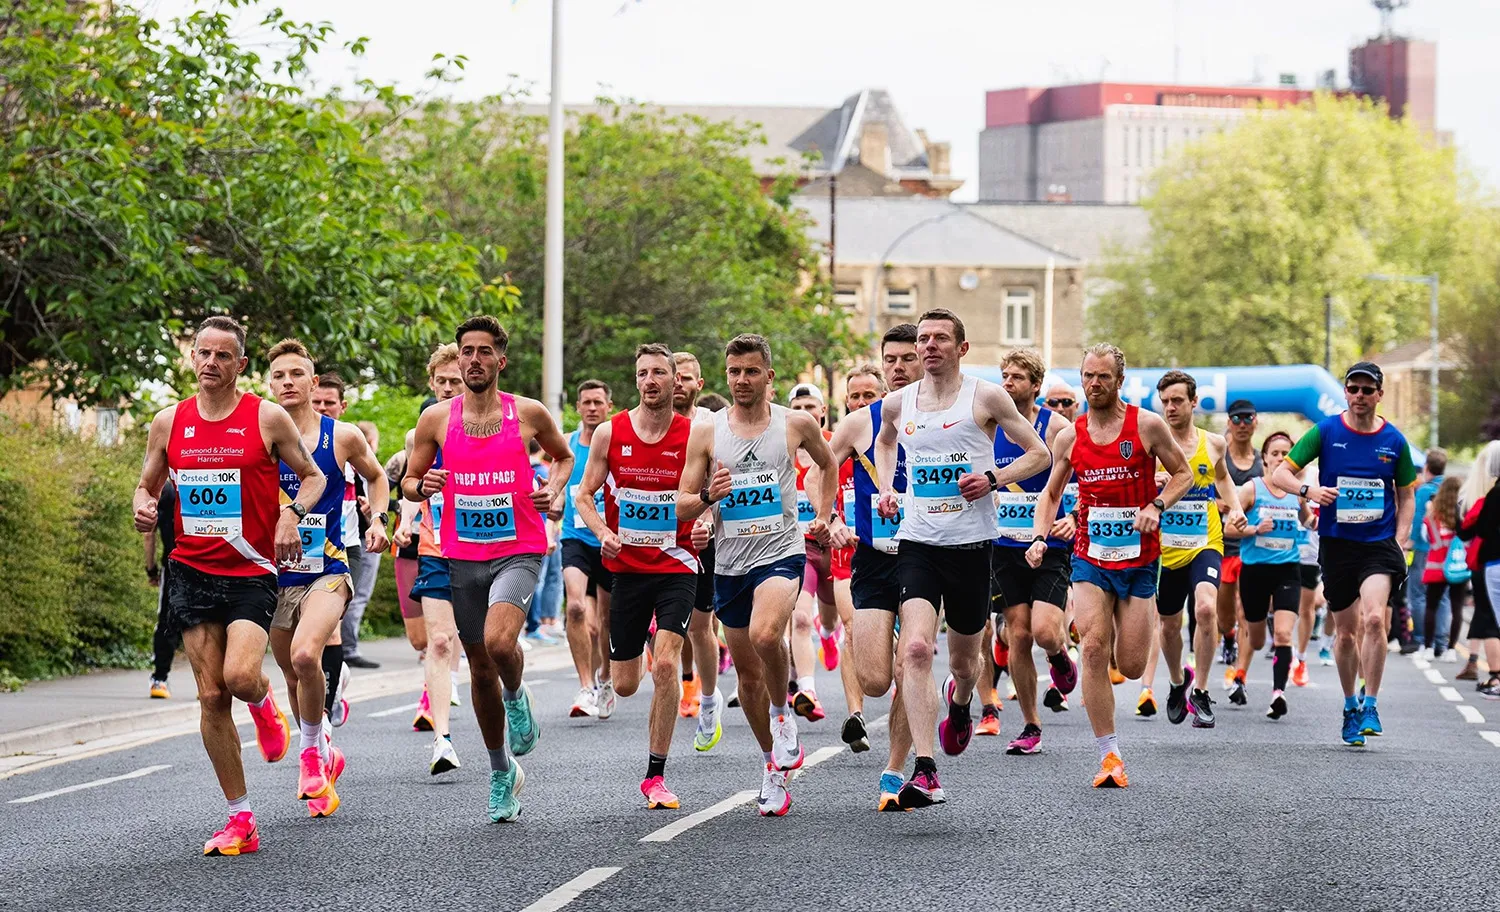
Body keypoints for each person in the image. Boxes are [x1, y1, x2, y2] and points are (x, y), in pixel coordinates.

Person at [132, 316, 326, 856]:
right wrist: (143, 509)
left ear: (240, 366)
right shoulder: (169, 421)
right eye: (203, 353)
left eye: (223, 356)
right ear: (192, 359)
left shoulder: (265, 418)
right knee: (211, 695)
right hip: (191, 570)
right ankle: (240, 818)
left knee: (240, 677)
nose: (211, 363)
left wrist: (291, 513)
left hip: (250, 570)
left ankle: (265, 704)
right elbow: (146, 487)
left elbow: (315, 477)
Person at [874, 309, 1049, 807]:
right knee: (915, 651)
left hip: (972, 547)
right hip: (917, 543)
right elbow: (885, 444)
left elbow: (1039, 455)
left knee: (966, 662)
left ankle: (963, 699)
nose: (929, 347)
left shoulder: (986, 396)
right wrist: (889, 487)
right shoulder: (898, 403)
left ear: (962, 348)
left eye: (940, 339)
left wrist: (992, 479)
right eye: (923, 338)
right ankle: (926, 770)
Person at [403, 315, 573, 822]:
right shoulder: (435, 419)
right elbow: (410, 481)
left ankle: (517, 696)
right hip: (462, 554)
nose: (473, 360)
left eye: (483, 351)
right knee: (478, 669)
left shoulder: (527, 413)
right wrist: (422, 486)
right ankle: (502, 772)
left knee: (500, 644)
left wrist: (554, 489)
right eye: (465, 352)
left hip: (519, 547)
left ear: (500, 360)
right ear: (457, 360)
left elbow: (563, 459)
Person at [677, 332, 838, 817]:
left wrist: (824, 516)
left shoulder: (796, 424)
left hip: (782, 552)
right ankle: (771, 765)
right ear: (725, 375)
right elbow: (682, 504)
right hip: (729, 563)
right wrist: (707, 501)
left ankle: (784, 712)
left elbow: (828, 466)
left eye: (751, 372)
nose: (742, 381)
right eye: (734, 372)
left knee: (769, 635)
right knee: (746, 676)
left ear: (769, 376)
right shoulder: (707, 432)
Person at [1027, 343, 1192, 788]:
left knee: (1133, 665)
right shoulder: (1070, 436)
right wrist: (1040, 536)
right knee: (1095, 647)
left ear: (1120, 380)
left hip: (1139, 558)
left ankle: (1161, 667)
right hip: (1089, 556)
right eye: (1087, 376)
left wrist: (1157, 504)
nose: (1094, 384)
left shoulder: (1148, 426)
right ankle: (1109, 755)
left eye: (1103, 377)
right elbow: (1051, 493)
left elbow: (1184, 473)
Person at [263, 339, 390, 817]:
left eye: (298, 374)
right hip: (275, 575)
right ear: (269, 383)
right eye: (280, 376)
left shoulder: (343, 436)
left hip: (330, 567)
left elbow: (377, 478)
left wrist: (378, 519)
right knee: (291, 674)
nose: (289, 382)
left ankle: (311, 753)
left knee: (304, 654)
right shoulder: (259, 435)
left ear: (313, 383)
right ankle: (322, 744)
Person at [574, 344, 702, 808]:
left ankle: (656, 775)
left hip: (677, 563)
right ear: (636, 381)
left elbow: (715, 493)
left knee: (666, 665)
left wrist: (706, 521)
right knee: (626, 684)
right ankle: (644, 636)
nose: (650, 380)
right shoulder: (611, 432)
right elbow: (583, 495)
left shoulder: (696, 433)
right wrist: (603, 531)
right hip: (626, 568)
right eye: (642, 373)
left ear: (676, 381)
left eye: (659, 373)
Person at [1271, 362, 1417, 746]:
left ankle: (1371, 703)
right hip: (1337, 545)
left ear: (1379, 395)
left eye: (1367, 390)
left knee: (1373, 620)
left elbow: (1406, 495)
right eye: (1353, 388)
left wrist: (1401, 539)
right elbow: (1280, 475)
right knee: (1347, 633)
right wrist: (1309, 492)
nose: (1359, 396)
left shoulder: (1395, 441)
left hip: (1379, 545)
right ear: (1346, 392)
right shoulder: (1326, 432)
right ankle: (1350, 704)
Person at [825, 323, 919, 810]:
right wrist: (832, 518)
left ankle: (894, 770)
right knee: (876, 679)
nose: (900, 368)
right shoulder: (860, 426)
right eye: (892, 360)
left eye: (908, 359)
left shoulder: (951, 417)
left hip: (926, 556)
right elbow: (820, 469)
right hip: (871, 559)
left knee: (912, 659)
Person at [987, 348, 1079, 755]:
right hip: (1005, 546)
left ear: (1035, 385)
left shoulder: (1057, 428)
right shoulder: (989, 426)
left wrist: (1073, 517)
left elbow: (1078, 484)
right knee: (1018, 633)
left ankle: (1059, 655)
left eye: (1017, 377)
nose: (1008, 383)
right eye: (1004, 376)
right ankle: (1030, 725)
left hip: (1050, 545)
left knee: (1044, 631)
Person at [1142, 371, 1247, 727]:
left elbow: (1222, 478)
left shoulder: (1214, 443)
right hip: (1166, 549)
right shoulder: (1152, 446)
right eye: (1165, 402)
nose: (1170, 408)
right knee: (1169, 626)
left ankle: (1200, 690)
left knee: (1205, 608)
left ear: (1193, 403)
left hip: (1206, 541)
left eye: (1177, 401)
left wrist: (1235, 507)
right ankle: (1176, 682)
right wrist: (1152, 487)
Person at [400, 349, 465, 773]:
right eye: (441, 380)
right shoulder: (418, 435)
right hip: (436, 545)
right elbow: (410, 486)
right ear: (431, 383)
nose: (447, 387)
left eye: (454, 381)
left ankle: (512, 693)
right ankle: (442, 740)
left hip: (488, 550)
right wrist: (404, 521)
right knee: (437, 641)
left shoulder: (494, 427)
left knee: (490, 647)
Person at [1233, 431, 1310, 720]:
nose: (1279, 458)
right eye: (1274, 453)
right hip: (1254, 571)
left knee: (1282, 633)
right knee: (1255, 640)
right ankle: (1244, 666)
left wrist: (1317, 521)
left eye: (1285, 453)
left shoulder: (1296, 491)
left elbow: (1307, 519)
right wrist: (1254, 530)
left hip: (1288, 570)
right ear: (1264, 457)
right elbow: (1228, 528)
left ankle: (1278, 693)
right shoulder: (1251, 489)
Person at [311, 376, 381, 670]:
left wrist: (377, 517)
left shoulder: (349, 442)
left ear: (343, 406)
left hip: (347, 543)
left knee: (335, 618)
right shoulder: (288, 438)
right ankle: (325, 681)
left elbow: (377, 481)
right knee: (307, 630)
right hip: (306, 544)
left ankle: (330, 690)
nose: (323, 408)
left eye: (329, 403)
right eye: (317, 402)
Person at [672, 351, 724, 738]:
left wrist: (706, 519)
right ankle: (682, 683)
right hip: (657, 538)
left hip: (700, 536)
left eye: (686, 378)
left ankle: (707, 698)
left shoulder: (711, 426)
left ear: (699, 385)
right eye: (673, 376)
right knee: (671, 627)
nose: (678, 384)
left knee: (700, 627)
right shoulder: (647, 425)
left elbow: (720, 482)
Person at [557, 381, 615, 719]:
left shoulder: (617, 442)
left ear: (609, 405)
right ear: (578, 407)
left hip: (608, 539)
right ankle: (585, 685)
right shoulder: (565, 443)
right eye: (586, 403)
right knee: (576, 607)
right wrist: (550, 495)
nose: (592, 408)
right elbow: (556, 478)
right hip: (575, 537)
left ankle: (606, 678)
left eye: (598, 402)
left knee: (606, 619)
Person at [787, 381, 842, 724]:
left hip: (834, 549)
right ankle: (807, 690)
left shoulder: (837, 446)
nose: (805, 414)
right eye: (798, 408)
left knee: (830, 613)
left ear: (822, 412)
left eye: (811, 408)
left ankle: (829, 634)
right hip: (799, 548)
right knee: (800, 618)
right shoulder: (782, 450)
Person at [1217, 399, 1262, 677]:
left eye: (1248, 418)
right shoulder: (1219, 458)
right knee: (1224, 613)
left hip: (1252, 544)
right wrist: (1222, 504)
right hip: (1221, 543)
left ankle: (1239, 674)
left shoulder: (1261, 463)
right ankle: (1229, 637)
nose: (1242, 425)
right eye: (1237, 419)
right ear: (1228, 422)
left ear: (1256, 422)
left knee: (1246, 610)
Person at [1456, 441, 1500, 698]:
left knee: (1489, 618)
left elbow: (1469, 531)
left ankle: (1495, 674)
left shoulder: (1482, 495)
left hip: (1488, 562)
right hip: (1487, 562)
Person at [1421, 476, 1470, 660]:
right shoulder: (1463, 516)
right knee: (1456, 608)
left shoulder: (1432, 516)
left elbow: (1425, 537)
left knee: (1431, 607)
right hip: (1459, 566)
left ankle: (1427, 648)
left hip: (1435, 567)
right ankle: (1450, 650)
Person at [1408, 449, 1450, 650]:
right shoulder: (1451, 490)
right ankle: (1441, 640)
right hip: (1447, 549)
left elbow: (1417, 520)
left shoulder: (1425, 490)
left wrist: (1410, 541)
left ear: (1426, 467)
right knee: (1443, 596)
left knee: (1418, 594)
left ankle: (1421, 639)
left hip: (1425, 548)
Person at [145, 480, 179, 699]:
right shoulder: (205, 479)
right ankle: (211, 681)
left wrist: (151, 569)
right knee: (210, 620)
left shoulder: (162, 492)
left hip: (173, 564)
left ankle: (159, 679)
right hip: (207, 564)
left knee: (167, 621)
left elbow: (149, 535)